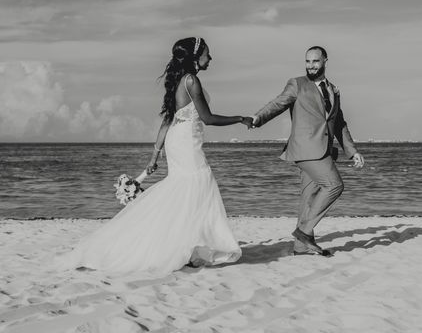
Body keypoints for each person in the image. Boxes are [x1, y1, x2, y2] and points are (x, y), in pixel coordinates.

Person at [59, 37, 252, 277]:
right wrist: (240, 118)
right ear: (194, 57)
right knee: (198, 183)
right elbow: (208, 118)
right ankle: (187, 248)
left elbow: (167, 121)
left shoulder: (178, 82)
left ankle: (189, 248)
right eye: (207, 54)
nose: (210, 58)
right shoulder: (191, 80)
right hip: (186, 143)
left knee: (184, 189)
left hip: (177, 140)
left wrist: (155, 156)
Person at [251, 46, 365, 257]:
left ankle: (300, 247)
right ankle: (304, 232)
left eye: (315, 61)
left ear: (325, 61)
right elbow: (278, 103)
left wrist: (352, 151)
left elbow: (338, 122)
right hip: (305, 148)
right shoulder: (298, 84)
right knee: (334, 185)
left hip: (324, 149)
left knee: (309, 197)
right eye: (307, 61)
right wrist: (258, 118)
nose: (311, 65)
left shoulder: (332, 89)